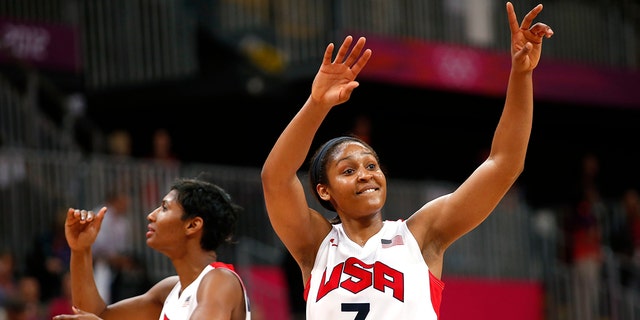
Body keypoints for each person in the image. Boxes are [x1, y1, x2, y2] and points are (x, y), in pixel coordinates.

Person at [260, 2, 553, 319]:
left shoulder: (421, 235)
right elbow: (275, 178)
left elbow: (503, 165)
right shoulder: (315, 244)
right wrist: (317, 104)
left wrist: (522, 74)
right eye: (348, 170)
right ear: (324, 191)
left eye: (371, 166)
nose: (365, 175)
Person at [52, 174, 251, 320]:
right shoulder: (168, 290)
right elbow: (96, 314)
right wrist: (80, 250)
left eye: (164, 207)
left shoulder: (220, 280)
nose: (151, 215)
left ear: (192, 225)